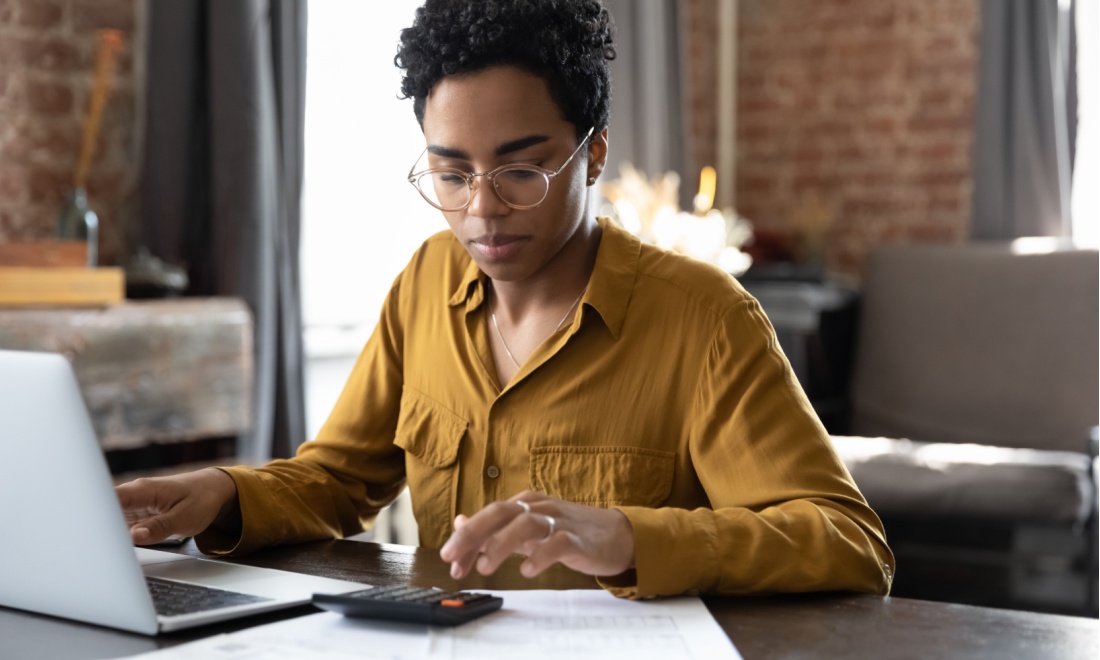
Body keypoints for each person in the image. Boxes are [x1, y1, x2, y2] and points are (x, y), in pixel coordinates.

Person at [116, 0, 894, 599]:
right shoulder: (424, 283)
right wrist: (220, 494)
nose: (482, 211)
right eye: (451, 175)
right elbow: (337, 481)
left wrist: (632, 539)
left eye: (522, 171)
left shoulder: (704, 320)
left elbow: (848, 541)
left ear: (594, 153)